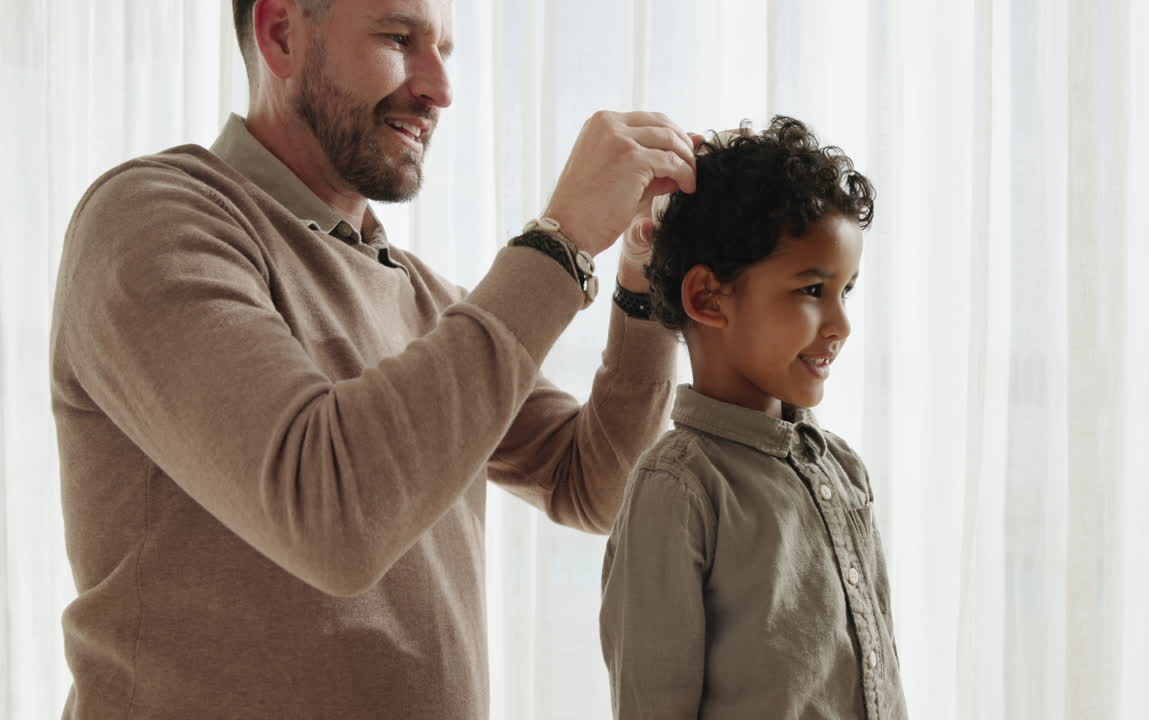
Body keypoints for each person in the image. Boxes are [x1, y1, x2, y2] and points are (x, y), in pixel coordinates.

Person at [49, 0, 700, 717]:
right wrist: (560, 243)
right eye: (399, 38)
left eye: (444, 50)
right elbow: (331, 515)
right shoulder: (152, 218)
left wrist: (641, 280)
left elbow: (594, 483)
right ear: (281, 34)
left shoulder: (420, 294)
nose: (439, 88)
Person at [599, 116, 909, 719]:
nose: (841, 325)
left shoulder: (843, 469)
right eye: (812, 290)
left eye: (846, 291)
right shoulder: (680, 489)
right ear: (708, 299)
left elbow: (881, 676)